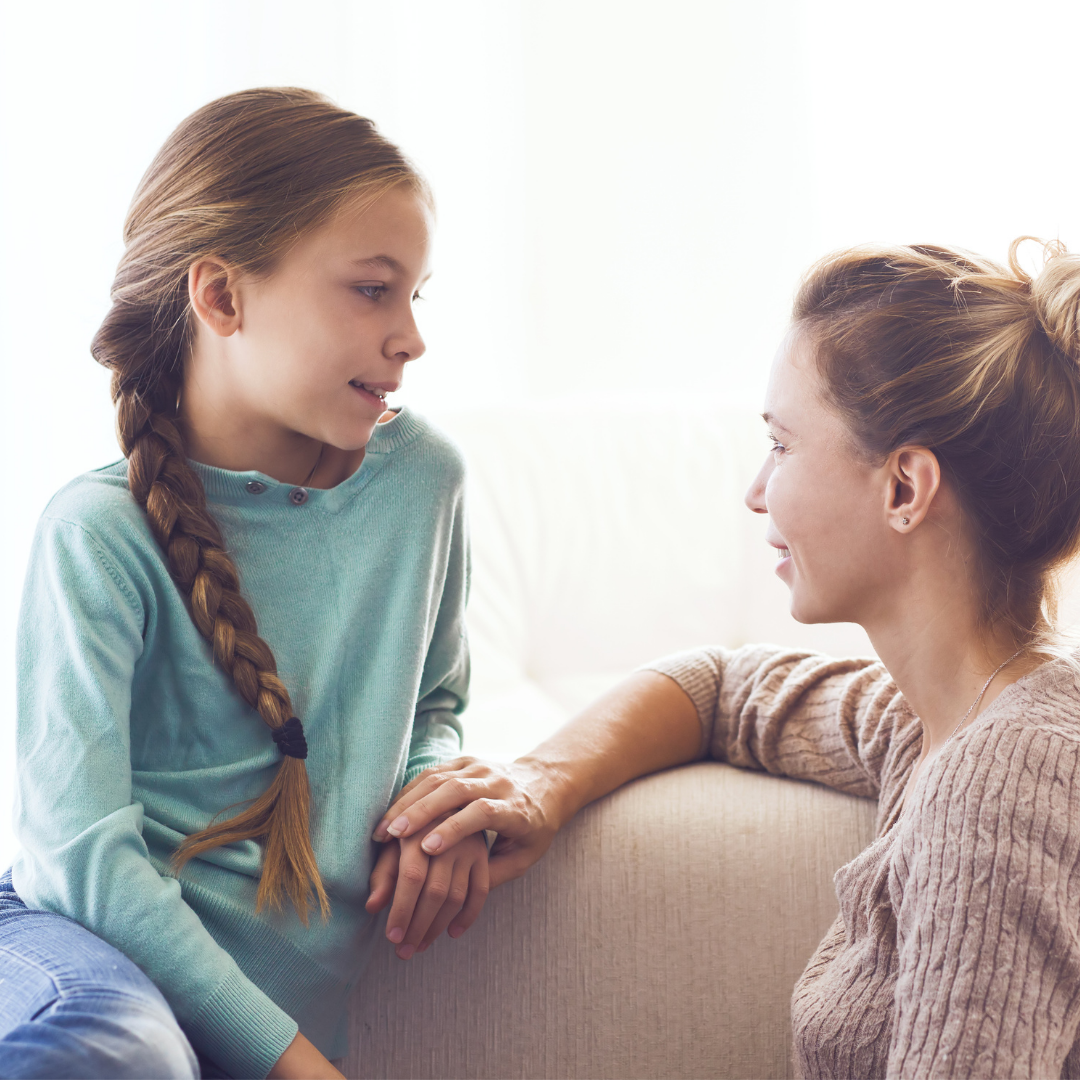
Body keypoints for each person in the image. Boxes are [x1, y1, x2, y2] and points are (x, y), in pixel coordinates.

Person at [377, 239, 1080, 1077]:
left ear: (904, 488)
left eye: (782, 445)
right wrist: (540, 782)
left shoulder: (1004, 775)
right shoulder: (926, 723)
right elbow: (721, 687)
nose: (755, 491)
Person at [3, 87, 489, 1080]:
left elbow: (435, 702)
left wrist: (431, 794)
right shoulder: (97, 534)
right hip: (83, 959)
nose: (411, 337)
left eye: (415, 294)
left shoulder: (423, 484)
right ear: (222, 296)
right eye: (370, 289)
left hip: (236, 1022)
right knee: (110, 1056)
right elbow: (82, 864)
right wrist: (292, 1063)